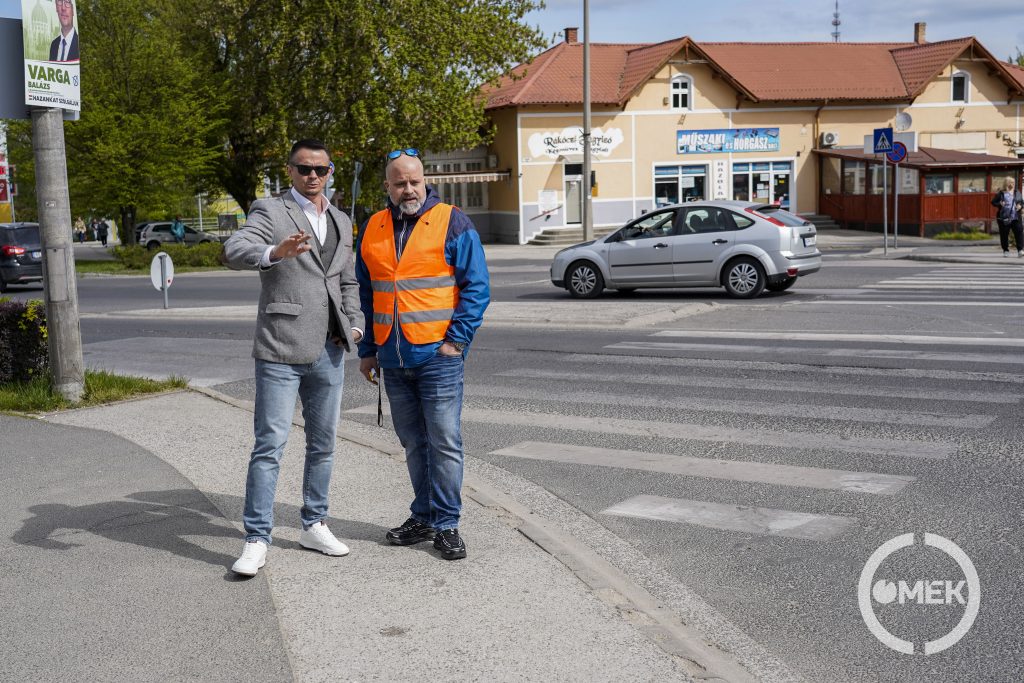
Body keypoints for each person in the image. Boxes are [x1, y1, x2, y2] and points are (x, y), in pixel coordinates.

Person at [222, 139, 363, 577]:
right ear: (290, 171)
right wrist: (273, 253)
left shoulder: (341, 218)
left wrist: (354, 324)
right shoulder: (270, 209)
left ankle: (313, 523)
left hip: (330, 349)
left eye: (321, 169)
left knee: (323, 445)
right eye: (304, 168)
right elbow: (234, 248)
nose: (313, 176)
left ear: (330, 171)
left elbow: (347, 280)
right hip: (282, 347)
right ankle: (256, 538)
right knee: (270, 447)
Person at [356, 148, 489, 561]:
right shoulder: (373, 227)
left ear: (425, 180)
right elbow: (366, 293)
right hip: (393, 360)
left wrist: (456, 341)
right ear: (388, 187)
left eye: (414, 181)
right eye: (400, 183)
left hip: (438, 356)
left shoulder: (452, 221)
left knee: (444, 442)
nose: (408, 189)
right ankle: (424, 515)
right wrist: (368, 350)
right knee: (414, 443)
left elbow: (477, 287)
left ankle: (447, 524)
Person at [990, 177, 1023, 257]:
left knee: (1019, 233)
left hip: (1016, 217)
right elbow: (993, 202)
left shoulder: (1017, 192)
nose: (1013, 184)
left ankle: (1020, 250)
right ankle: (1006, 250)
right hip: (1004, 217)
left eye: (1014, 182)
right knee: (1004, 235)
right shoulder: (1001, 193)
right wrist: (999, 204)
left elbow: (1022, 202)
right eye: (1011, 182)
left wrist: (1020, 206)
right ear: (1006, 183)